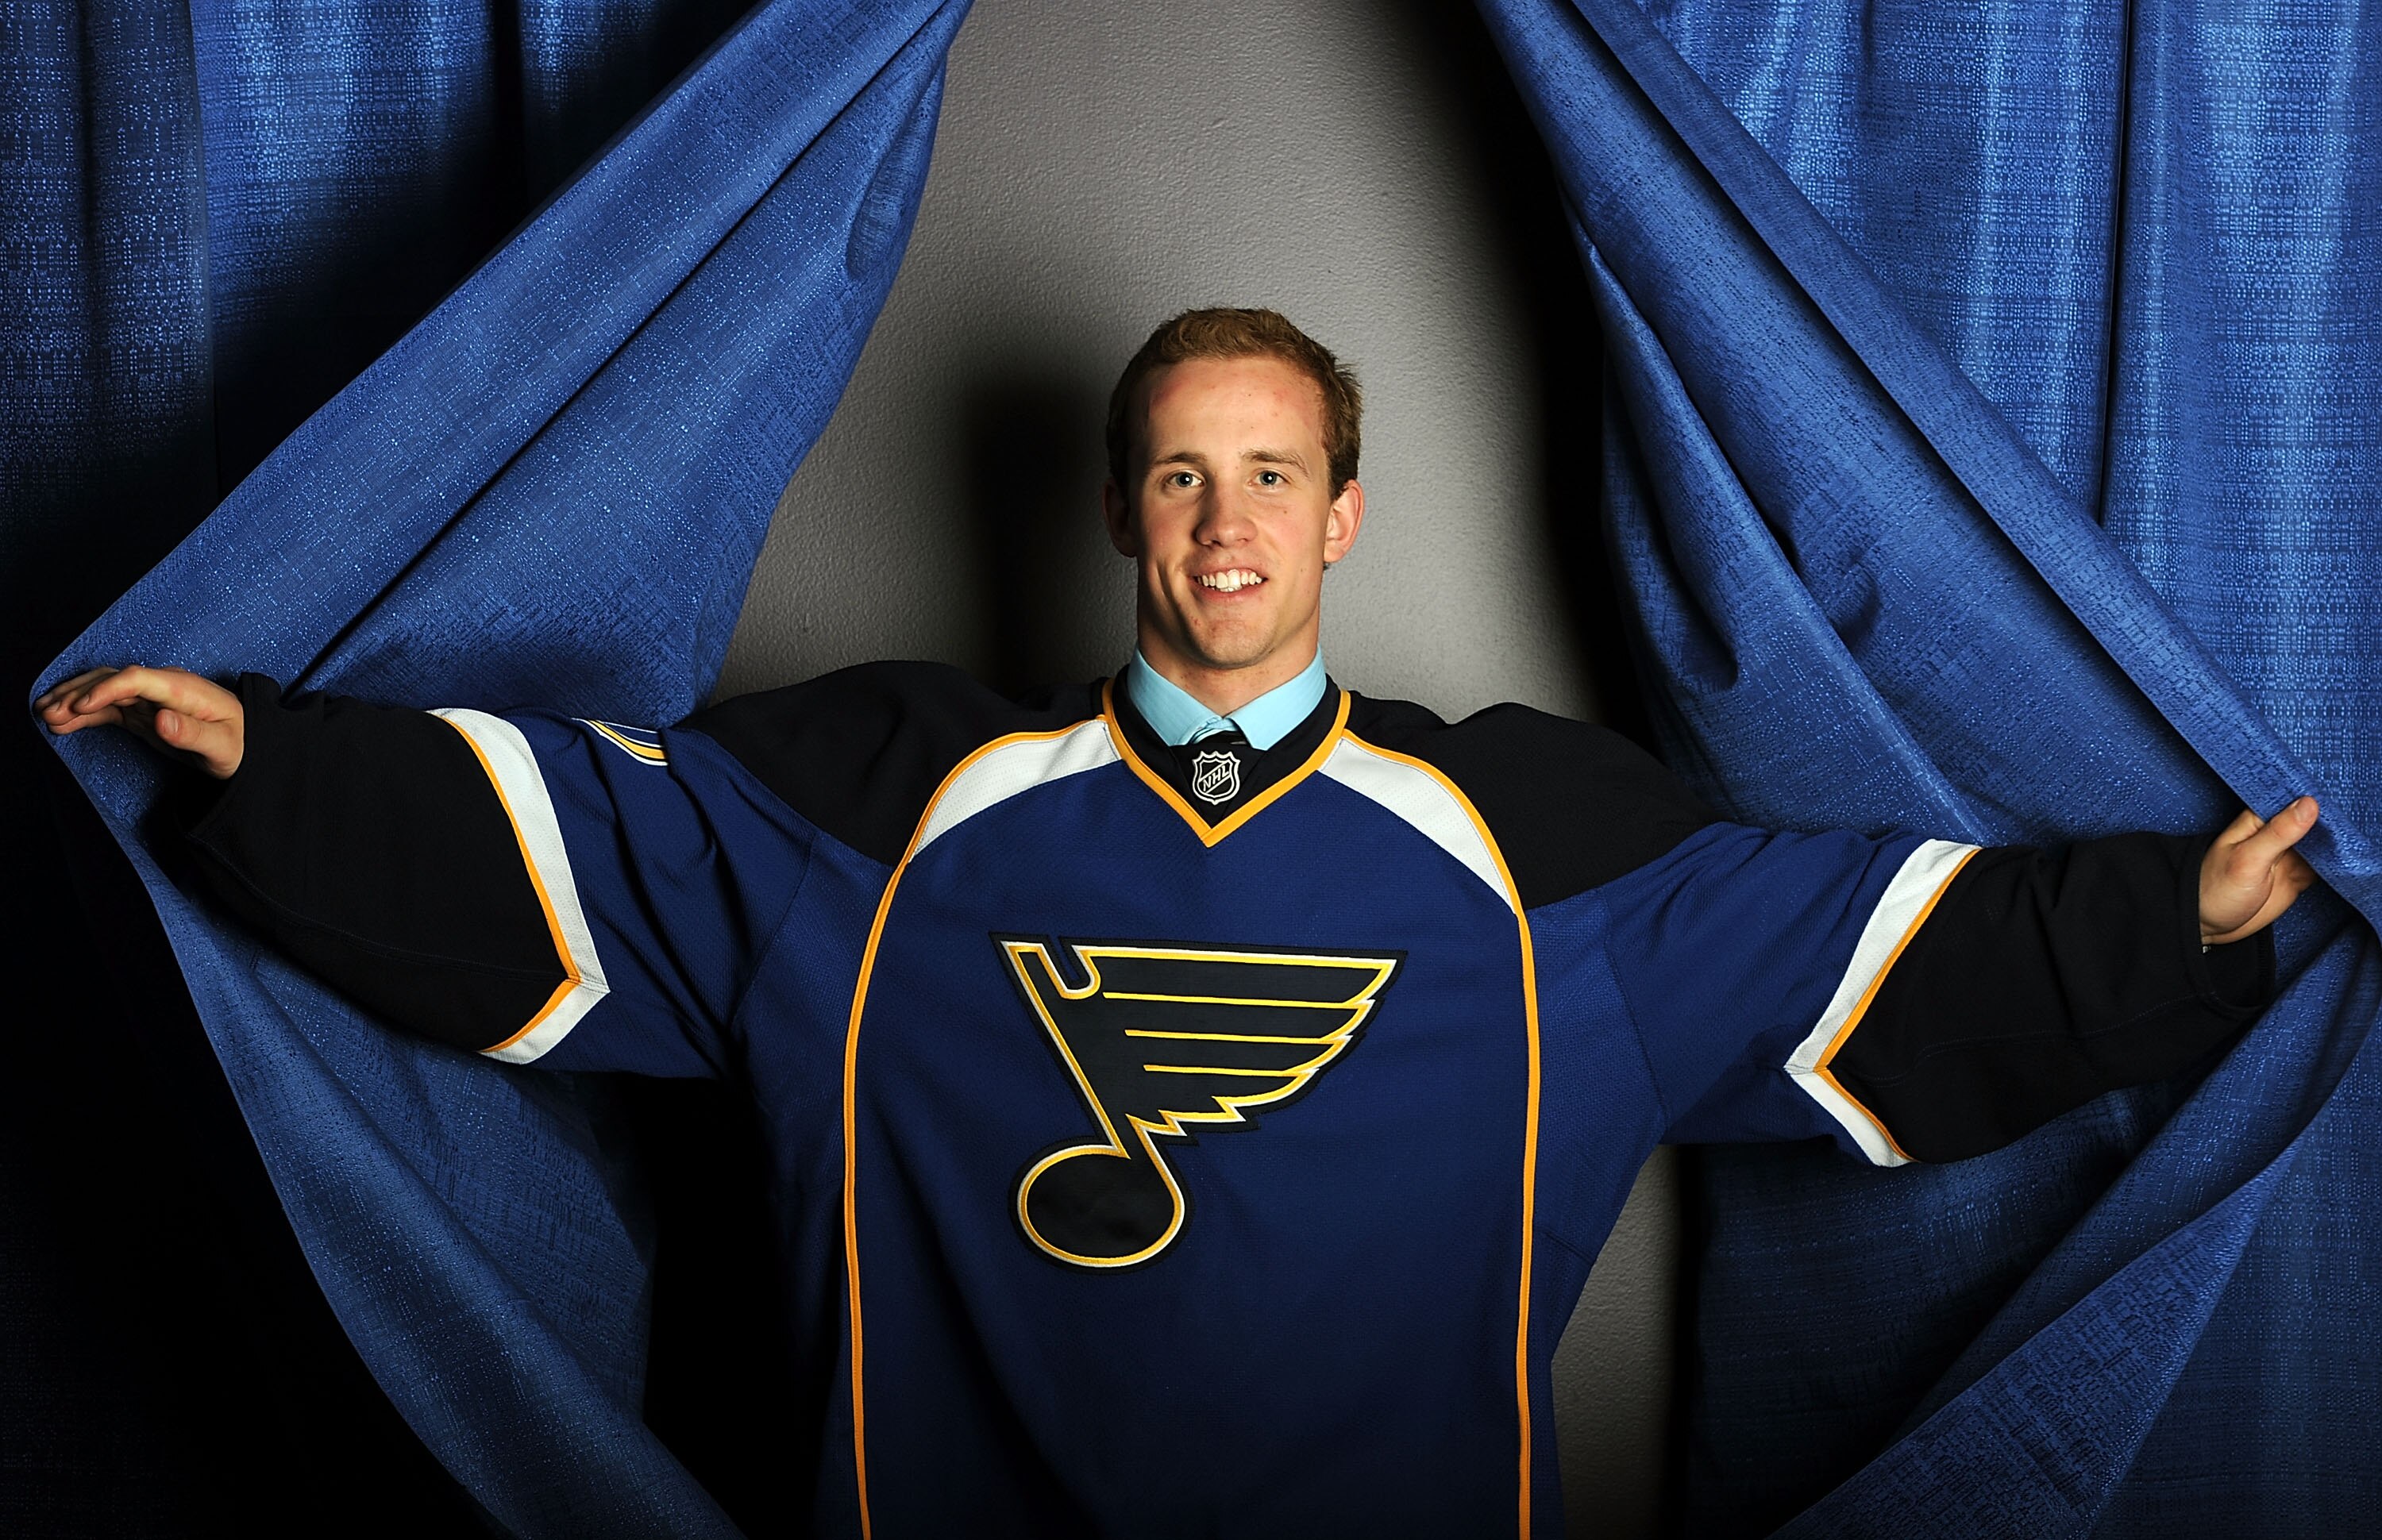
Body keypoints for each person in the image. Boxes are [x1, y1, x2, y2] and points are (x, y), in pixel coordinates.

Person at [41, 307, 2318, 1537]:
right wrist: (271, 754)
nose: (1223, 527)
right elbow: (565, 842)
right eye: (1176, 473)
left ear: (1343, 513)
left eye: (1268, 476)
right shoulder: (886, 813)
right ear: (1126, 512)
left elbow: (1874, 953)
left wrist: (2173, 921)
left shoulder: (1542, 854)